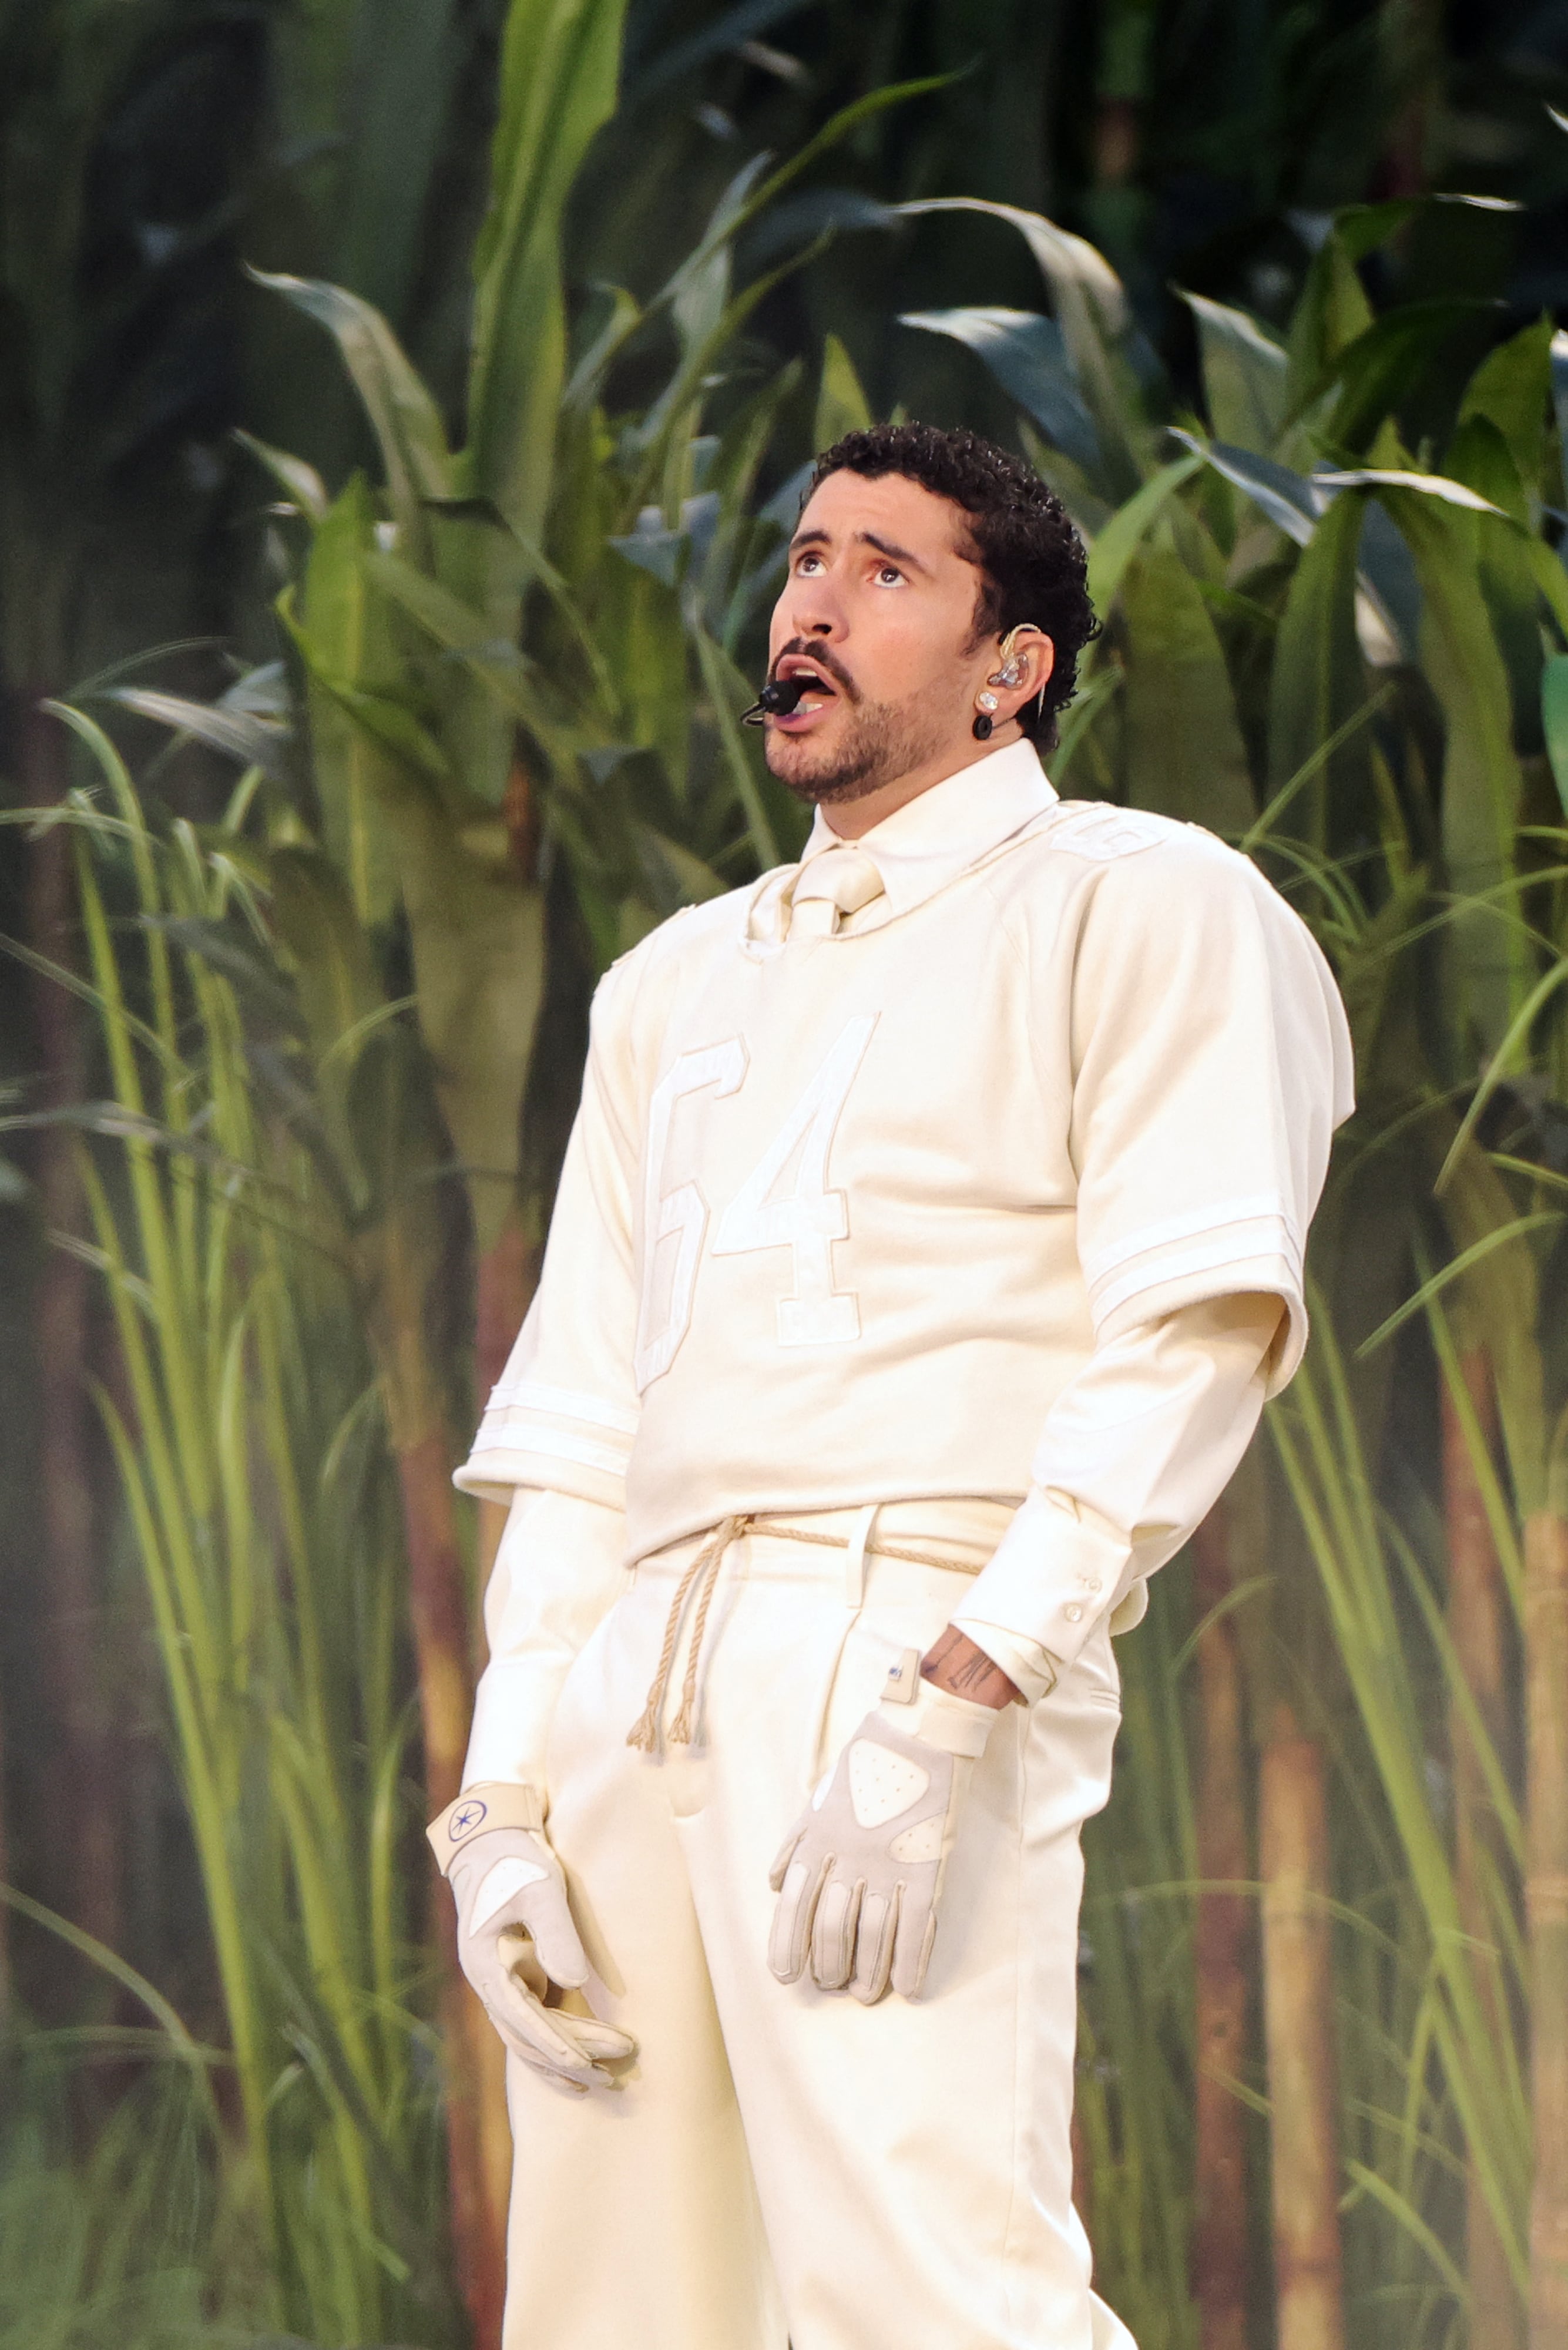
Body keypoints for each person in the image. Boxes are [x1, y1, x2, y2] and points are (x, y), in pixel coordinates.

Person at [428, 422, 1354, 2350]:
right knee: (612, 2302)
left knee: (931, 2287)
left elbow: (1186, 1335)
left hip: (910, 1658)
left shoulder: (1140, 899)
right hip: (637, 1677)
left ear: (1013, 666)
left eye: (886, 571)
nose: (811, 607)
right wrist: (506, 1794)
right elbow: (588, 1404)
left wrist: (955, 1700)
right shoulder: (672, 981)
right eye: (803, 560)